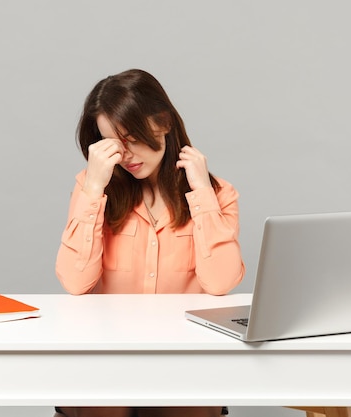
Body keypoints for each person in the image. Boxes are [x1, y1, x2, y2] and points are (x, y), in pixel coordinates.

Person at [55, 69, 245, 417]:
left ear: (163, 122)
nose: (125, 155)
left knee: (186, 405)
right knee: (102, 405)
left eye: (131, 137)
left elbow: (220, 283)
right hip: (107, 354)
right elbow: (74, 281)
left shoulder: (218, 194)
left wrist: (201, 193)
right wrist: (94, 190)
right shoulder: (91, 189)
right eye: (112, 144)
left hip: (185, 358)